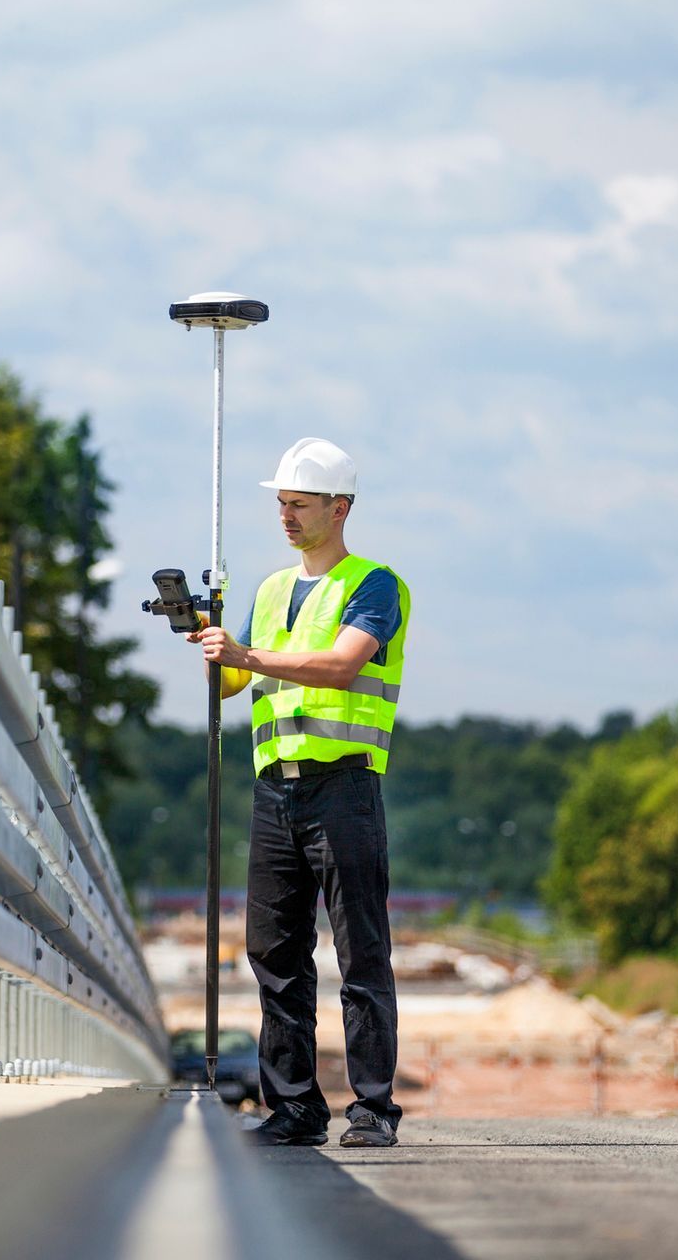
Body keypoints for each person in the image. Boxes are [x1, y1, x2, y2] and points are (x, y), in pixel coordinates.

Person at [191, 436, 409, 1148]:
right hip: (275, 794)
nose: (285, 516)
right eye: (281, 503)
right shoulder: (273, 590)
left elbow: (343, 665)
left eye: (300, 504)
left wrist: (248, 654)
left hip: (343, 787)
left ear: (339, 508)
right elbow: (236, 681)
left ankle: (373, 1108)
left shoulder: (375, 585)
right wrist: (209, 639)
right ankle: (294, 1107)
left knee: (359, 951)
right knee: (275, 956)